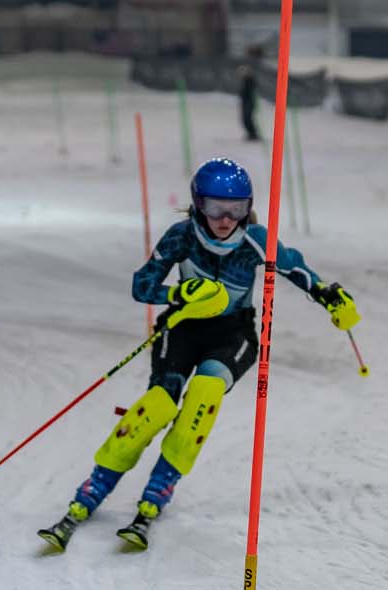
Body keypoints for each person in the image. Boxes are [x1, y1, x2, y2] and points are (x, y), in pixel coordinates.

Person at [37, 158, 360, 553]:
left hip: (233, 334)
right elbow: (142, 286)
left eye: (236, 209)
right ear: (197, 204)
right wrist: (178, 293)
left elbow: (298, 269)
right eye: (214, 208)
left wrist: (331, 297)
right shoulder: (183, 236)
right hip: (183, 327)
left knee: (203, 398)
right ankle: (96, 485)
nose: (225, 220)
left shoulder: (256, 239)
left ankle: (159, 489)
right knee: (156, 407)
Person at [237, 60, 261, 142]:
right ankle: (251, 134)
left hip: (249, 102)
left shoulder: (250, 79)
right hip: (245, 102)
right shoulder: (245, 80)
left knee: (247, 118)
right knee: (245, 119)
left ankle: (253, 134)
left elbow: (250, 91)